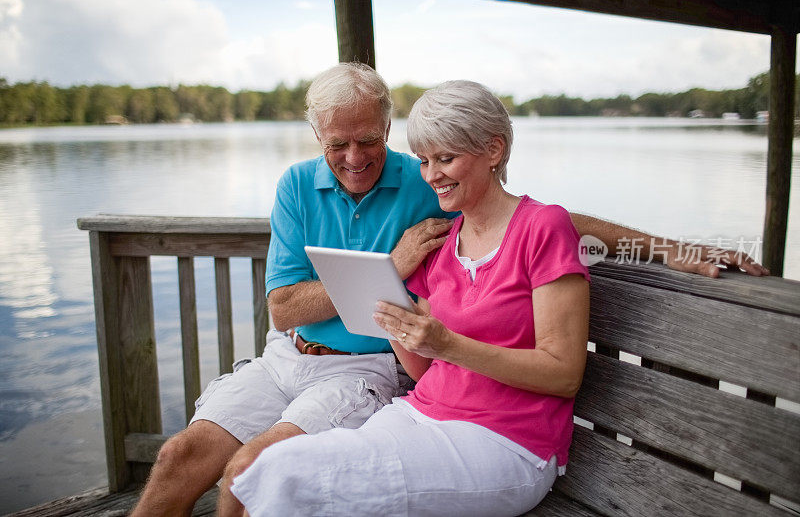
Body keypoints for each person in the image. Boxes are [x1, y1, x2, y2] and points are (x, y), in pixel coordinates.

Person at [131, 64, 767, 517]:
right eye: (338, 145)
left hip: (468, 424)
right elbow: (304, 313)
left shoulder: (454, 195)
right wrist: (401, 314)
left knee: (261, 477)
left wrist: (679, 251)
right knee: (206, 464)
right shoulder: (420, 218)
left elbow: (552, 226)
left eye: (371, 142)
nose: (357, 157)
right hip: (381, 391)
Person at [224, 79, 589, 515]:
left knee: (288, 479)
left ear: (493, 151)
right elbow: (421, 369)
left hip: (507, 440)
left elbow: (563, 373)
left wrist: (447, 344)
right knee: (265, 470)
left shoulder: (543, 227)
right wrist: (394, 318)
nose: (432, 174)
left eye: (446, 159)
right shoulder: (443, 239)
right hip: (421, 414)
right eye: (424, 160)